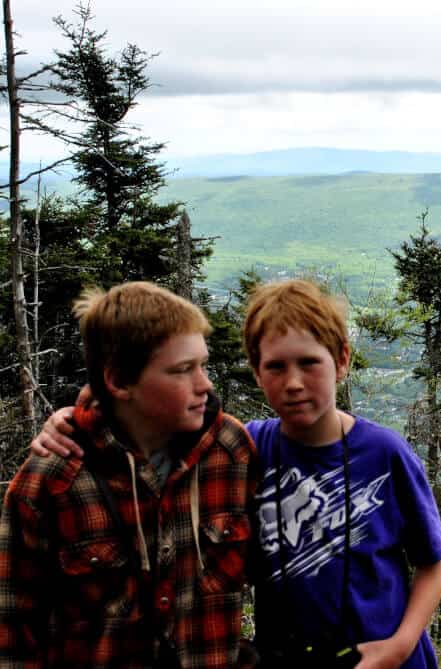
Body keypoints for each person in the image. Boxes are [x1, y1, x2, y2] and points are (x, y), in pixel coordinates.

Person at [31, 279, 441, 669]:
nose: (293, 383)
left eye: (309, 363)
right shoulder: (242, 450)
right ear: (255, 371)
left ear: (341, 360)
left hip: (388, 658)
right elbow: (142, 425)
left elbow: (434, 559)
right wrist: (77, 420)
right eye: (275, 367)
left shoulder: (384, 453)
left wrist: (401, 643)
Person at [1, 282, 258, 669]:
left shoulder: (230, 451)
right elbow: (13, 635)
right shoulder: (54, 480)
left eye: (202, 365)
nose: (205, 384)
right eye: (183, 370)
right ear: (120, 381)